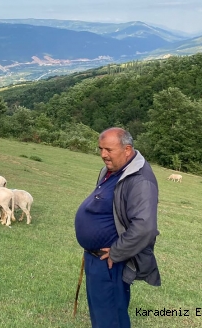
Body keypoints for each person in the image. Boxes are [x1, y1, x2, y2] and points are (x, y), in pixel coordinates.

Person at [74, 127, 161, 328]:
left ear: (127, 150)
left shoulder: (140, 180)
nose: (103, 155)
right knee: (104, 313)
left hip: (111, 261)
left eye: (109, 150)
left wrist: (116, 252)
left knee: (109, 317)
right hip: (96, 258)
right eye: (100, 149)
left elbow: (145, 227)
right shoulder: (112, 170)